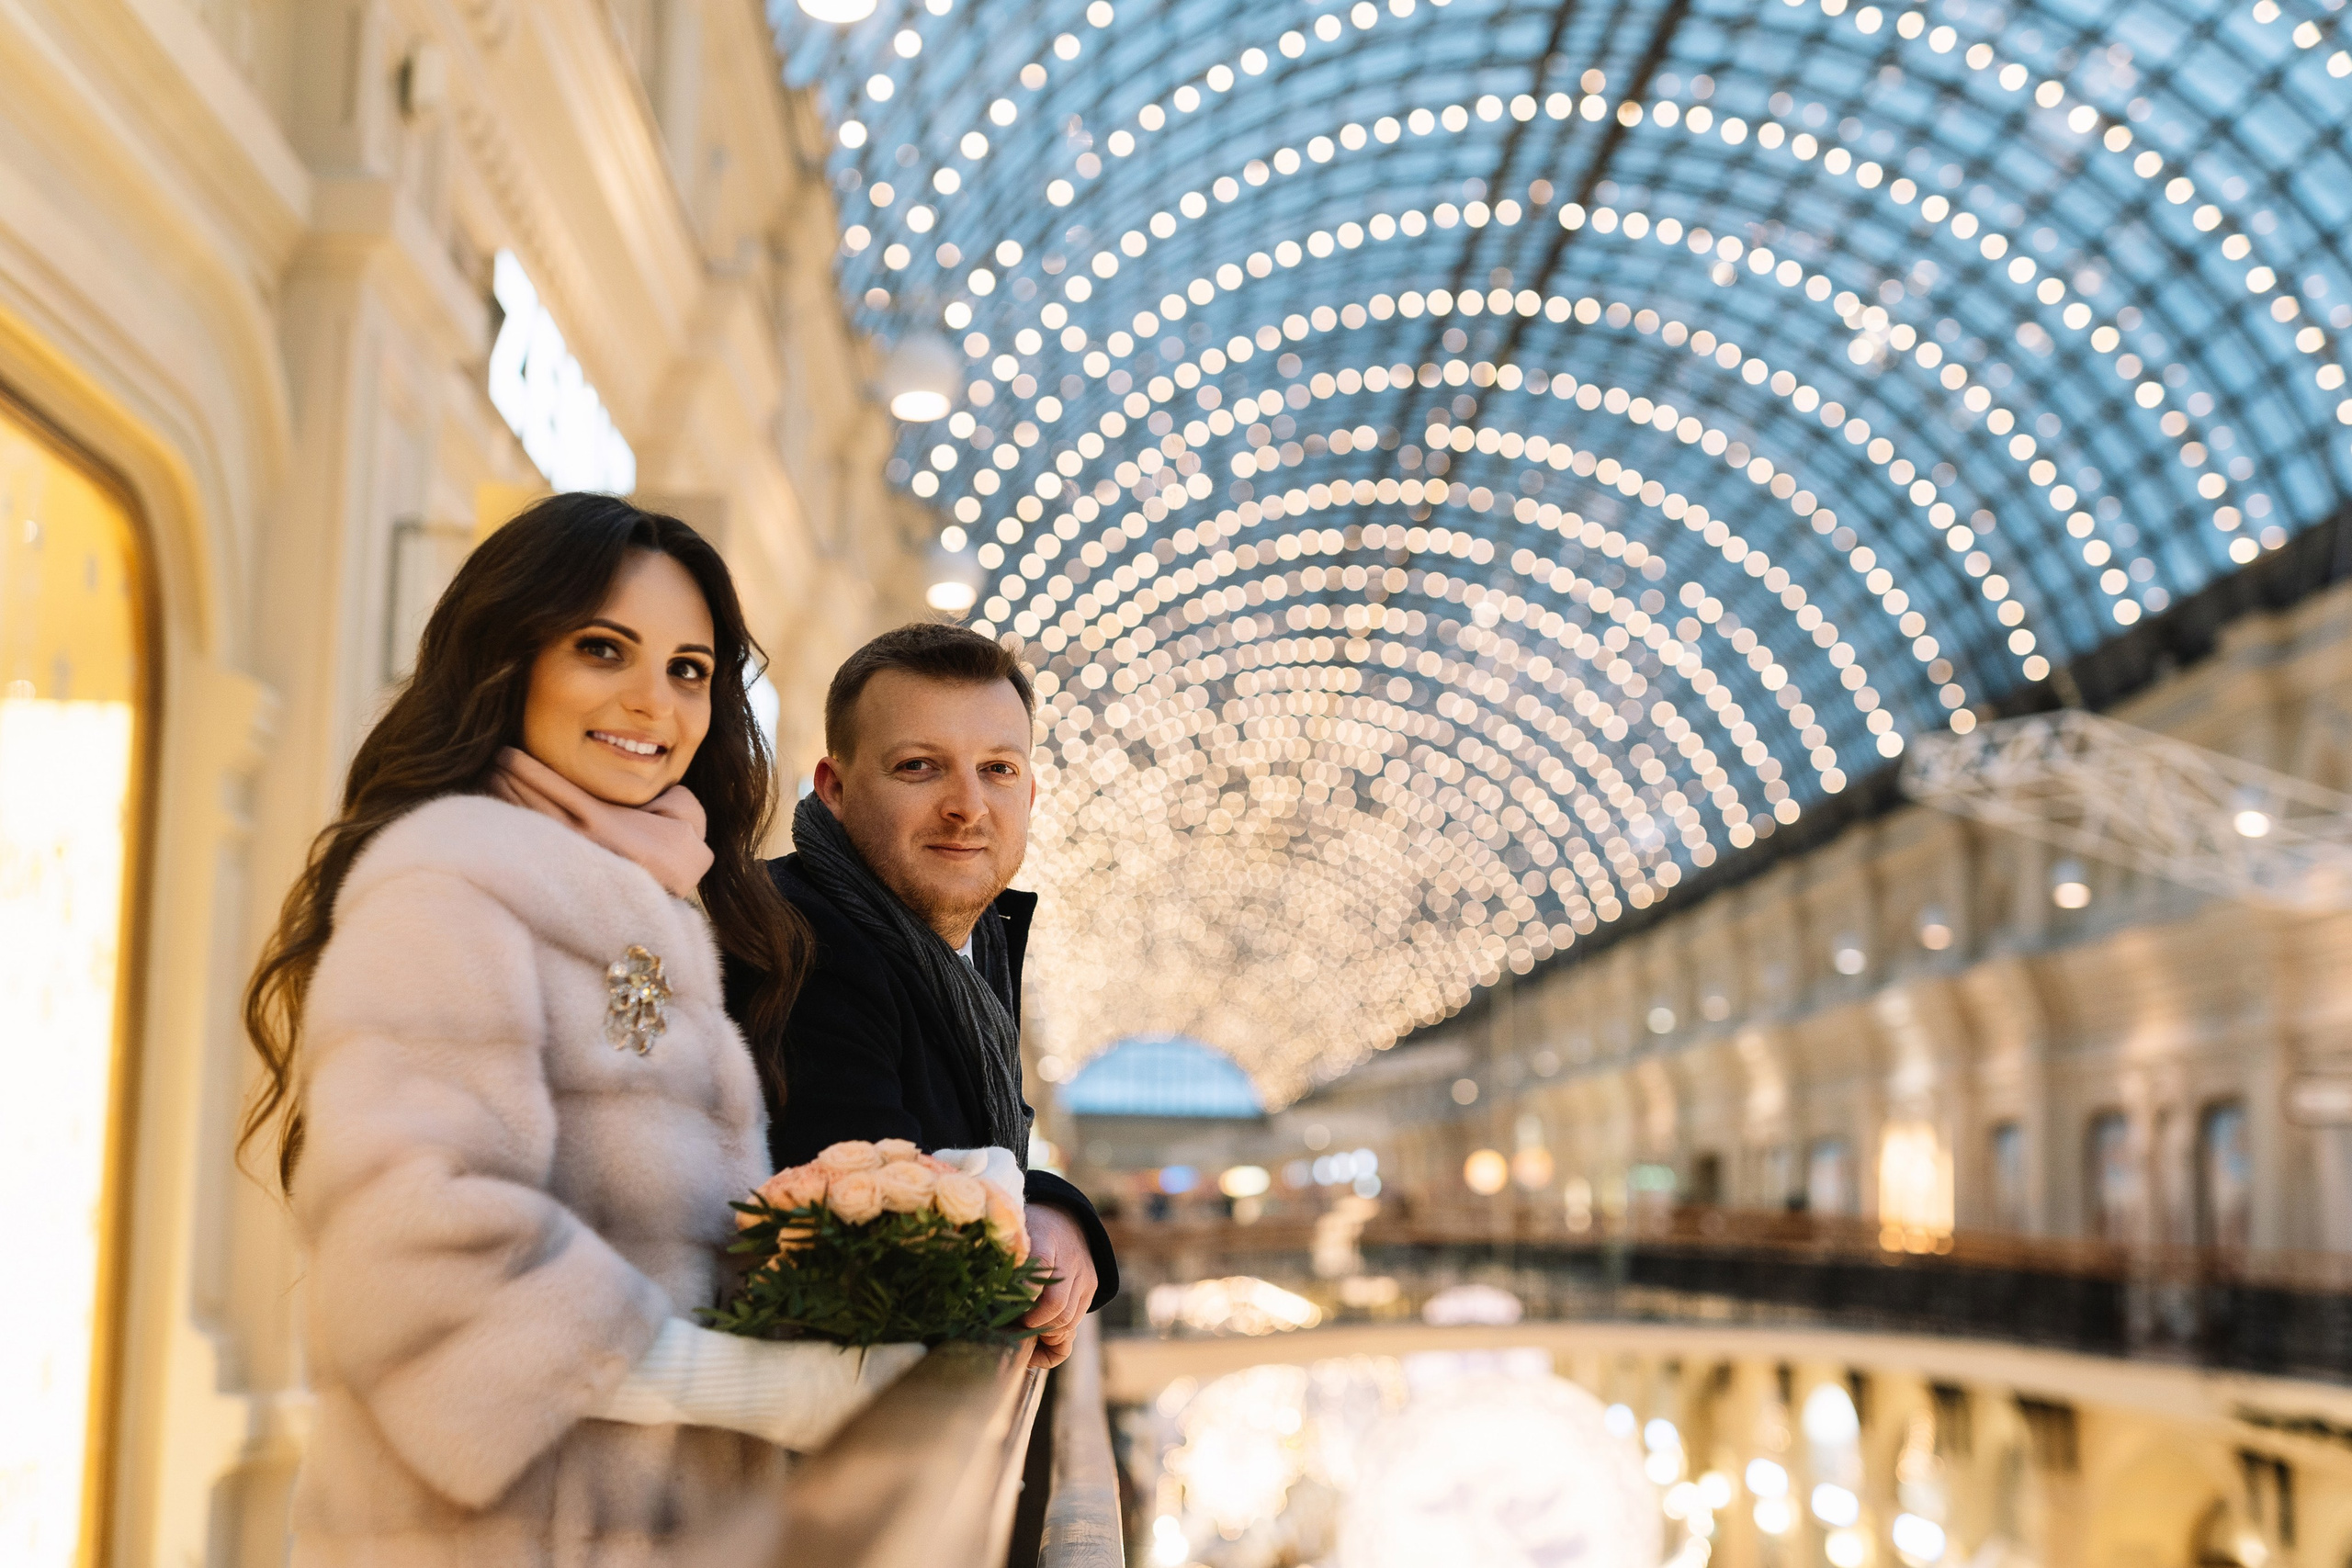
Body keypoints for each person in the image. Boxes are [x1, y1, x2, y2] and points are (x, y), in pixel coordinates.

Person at [242, 494, 918, 1565]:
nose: (654, 703)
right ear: (509, 660)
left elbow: (642, 1218)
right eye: (604, 650)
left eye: (690, 669)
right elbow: (414, 1253)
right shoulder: (452, 887)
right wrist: (757, 1389)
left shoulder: (644, 898)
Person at [728, 623, 1117, 1369]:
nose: (967, 805)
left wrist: (1055, 1208)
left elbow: (949, 1161)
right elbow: (890, 1229)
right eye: (919, 766)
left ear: (1031, 792)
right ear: (834, 789)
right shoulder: (797, 946)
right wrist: (1049, 1208)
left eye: (997, 768)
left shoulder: (966, 939)